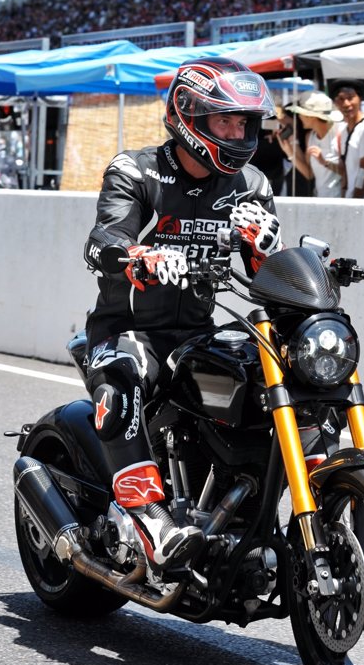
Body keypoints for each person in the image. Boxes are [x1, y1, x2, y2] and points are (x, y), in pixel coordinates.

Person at [82, 57, 282, 572]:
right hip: (127, 332)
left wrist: (265, 249)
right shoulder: (136, 170)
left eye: (244, 122)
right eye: (225, 122)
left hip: (196, 334)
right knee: (122, 377)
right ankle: (150, 517)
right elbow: (101, 243)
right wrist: (138, 257)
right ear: (189, 116)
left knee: (267, 382)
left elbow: (268, 275)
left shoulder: (251, 185)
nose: (238, 133)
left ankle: (252, 516)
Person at [279, 91, 345, 197]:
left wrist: (324, 162)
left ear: (311, 116)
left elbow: (349, 173)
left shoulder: (341, 132)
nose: (299, 117)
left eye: (301, 113)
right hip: (319, 200)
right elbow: (309, 174)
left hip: (339, 202)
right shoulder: (310, 137)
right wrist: (289, 150)